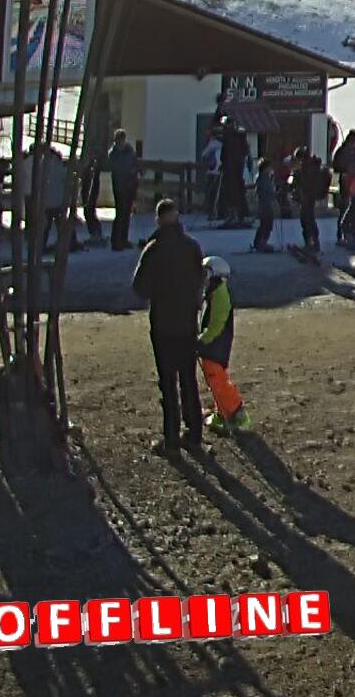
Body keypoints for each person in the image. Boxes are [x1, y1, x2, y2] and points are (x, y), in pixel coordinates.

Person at [131, 199, 205, 455]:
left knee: (168, 382)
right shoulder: (192, 247)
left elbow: (140, 287)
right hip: (187, 323)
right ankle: (194, 432)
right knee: (188, 379)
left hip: (163, 323)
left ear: (158, 219)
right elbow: (201, 279)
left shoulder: (154, 250)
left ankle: (171, 437)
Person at [196, 255, 250, 436]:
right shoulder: (213, 292)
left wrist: (203, 339)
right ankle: (222, 412)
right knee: (215, 381)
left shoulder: (219, 293)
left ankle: (235, 413)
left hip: (215, 345)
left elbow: (217, 322)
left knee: (217, 380)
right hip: (213, 345)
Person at [291, 148, 328, 253]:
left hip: (308, 196)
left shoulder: (308, 167)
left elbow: (305, 183)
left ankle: (312, 243)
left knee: (307, 220)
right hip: (309, 196)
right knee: (308, 220)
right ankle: (312, 243)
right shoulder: (312, 165)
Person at [107, 129, 139, 250]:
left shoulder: (129, 151)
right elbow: (115, 168)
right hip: (119, 186)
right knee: (120, 213)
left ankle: (124, 239)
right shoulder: (113, 154)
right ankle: (116, 240)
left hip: (130, 185)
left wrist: (136, 171)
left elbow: (135, 163)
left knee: (126, 214)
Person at [219, 115, 249, 226]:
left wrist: (224, 163)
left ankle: (235, 216)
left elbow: (225, 153)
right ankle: (237, 215)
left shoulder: (230, 136)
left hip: (231, 168)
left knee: (232, 191)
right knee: (237, 190)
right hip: (236, 167)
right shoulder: (239, 135)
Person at [252, 157, 278, 251]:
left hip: (266, 203)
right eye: (269, 167)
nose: (271, 169)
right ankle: (261, 243)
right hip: (265, 204)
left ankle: (259, 242)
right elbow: (264, 192)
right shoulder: (263, 178)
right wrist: (272, 195)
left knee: (266, 223)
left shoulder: (266, 177)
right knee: (266, 224)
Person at [199, 128, 222, 219]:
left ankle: (211, 212)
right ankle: (216, 212)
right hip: (219, 172)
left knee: (211, 193)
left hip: (212, 172)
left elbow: (203, 155)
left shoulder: (213, 144)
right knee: (216, 194)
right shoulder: (223, 144)